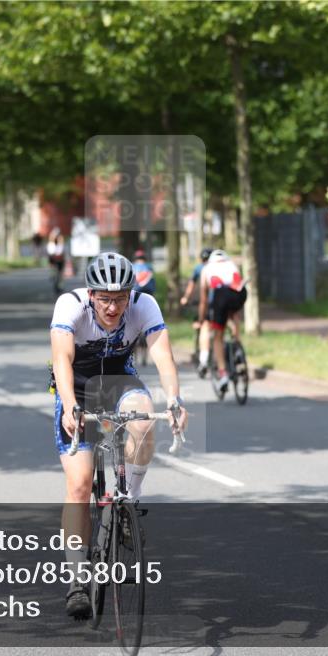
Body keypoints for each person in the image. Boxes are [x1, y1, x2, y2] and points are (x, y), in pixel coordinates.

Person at [50, 252, 188, 619]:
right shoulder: (70, 305)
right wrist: (69, 405)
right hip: (77, 389)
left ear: (131, 295)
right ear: (91, 294)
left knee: (143, 419)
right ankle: (77, 579)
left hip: (119, 382)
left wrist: (174, 400)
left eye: (121, 298)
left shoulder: (145, 305)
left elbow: (162, 354)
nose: (113, 308)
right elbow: (61, 358)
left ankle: (129, 503)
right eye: (105, 299)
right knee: (80, 484)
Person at [198, 250, 247, 390]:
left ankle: (223, 373)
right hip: (240, 293)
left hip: (221, 295)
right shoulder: (232, 264)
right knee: (234, 314)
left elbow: (203, 300)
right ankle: (237, 345)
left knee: (218, 337)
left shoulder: (206, 269)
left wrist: (201, 318)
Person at [180, 248, 213, 365]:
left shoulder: (199, 268)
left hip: (204, 301)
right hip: (221, 301)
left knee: (202, 324)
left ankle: (203, 358)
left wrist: (185, 298)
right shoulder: (217, 267)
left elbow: (191, 285)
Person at [46, 229, 66, 295]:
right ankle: (56, 286)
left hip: (60, 261)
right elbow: (51, 254)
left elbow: (61, 252)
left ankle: (59, 286)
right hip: (54, 262)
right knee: (56, 275)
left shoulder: (60, 243)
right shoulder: (51, 244)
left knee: (59, 275)